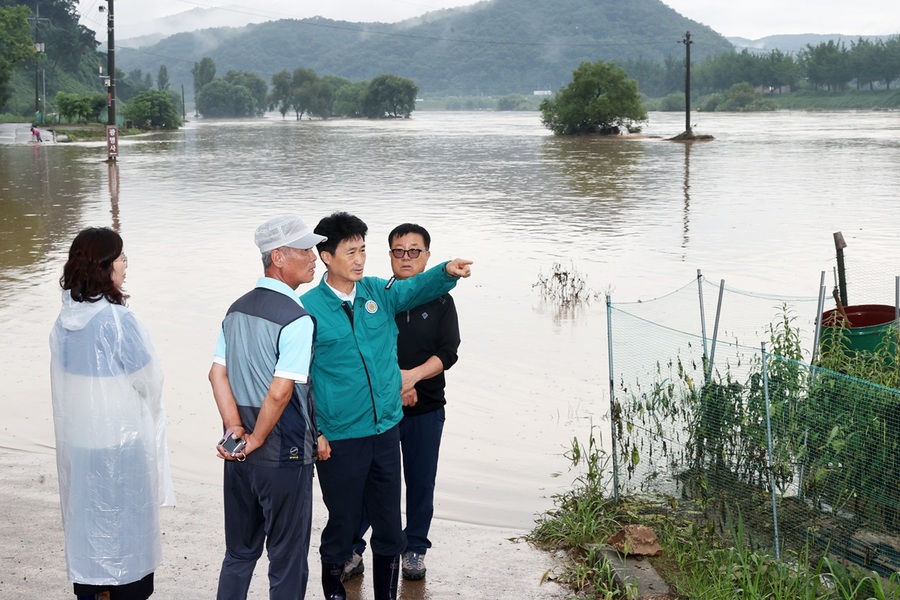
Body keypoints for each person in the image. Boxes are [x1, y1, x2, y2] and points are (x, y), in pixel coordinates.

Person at [301, 212, 472, 600]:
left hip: (385, 430)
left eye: (363, 250)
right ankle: (335, 593)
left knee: (390, 528)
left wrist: (446, 270)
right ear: (326, 256)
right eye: (350, 251)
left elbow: (416, 289)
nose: (360, 259)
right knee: (343, 525)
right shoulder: (307, 309)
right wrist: (317, 431)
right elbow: (300, 380)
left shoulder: (378, 292)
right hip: (342, 436)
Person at [209, 215, 330, 600]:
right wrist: (259, 437)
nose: (314, 257)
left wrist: (235, 433)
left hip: (241, 454)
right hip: (283, 453)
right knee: (287, 559)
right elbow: (280, 393)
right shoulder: (296, 317)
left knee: (239, 554)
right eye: (305, 250)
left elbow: (216, 374)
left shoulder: (237, 308)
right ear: (278, 256)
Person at [50, 227, 175, 600]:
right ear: (104, 267)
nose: (124, 265)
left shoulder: (64, 323)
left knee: (89, 524)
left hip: (81, 443)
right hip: (121, 448)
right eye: (120, 258)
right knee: (127, 530)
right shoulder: (118, 322)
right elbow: (149, 381)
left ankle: (92, 590)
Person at [345, 224, 460, 582]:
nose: (406, 257)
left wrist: (413, 378)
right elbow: (363, 348)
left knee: (421, 482)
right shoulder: (377, 296)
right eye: (399, 251)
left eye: (414, 251)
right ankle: (354, 548)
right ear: (390, 255)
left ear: (427, 255)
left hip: (427, 409)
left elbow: (448, 352)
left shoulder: (441, 300)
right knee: (373, 480)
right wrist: (397, 382)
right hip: (381, 410)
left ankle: (415, 549)